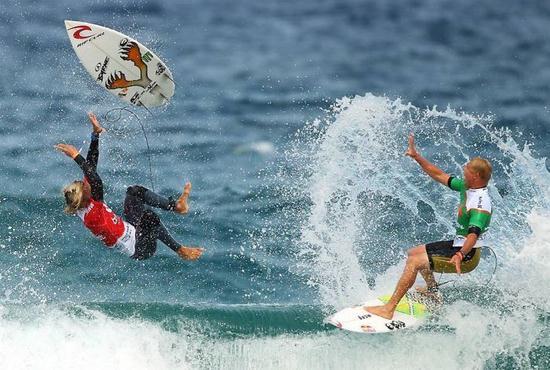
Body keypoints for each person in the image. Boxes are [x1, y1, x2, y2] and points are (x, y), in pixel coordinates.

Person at [366, 133, 492, 319]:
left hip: (467, 254)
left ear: (476, 176)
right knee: (414, 252)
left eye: (466, 170)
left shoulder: (481, 203)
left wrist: (460, 255)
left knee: (414, 262)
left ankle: (389, 309)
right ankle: (433, 293)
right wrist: (416, 156)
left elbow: (473, 234)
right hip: (459, 244)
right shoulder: (467, 186)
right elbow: (439, 174)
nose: (463, 171)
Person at [55, 112, 204, 261]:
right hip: (140, 249)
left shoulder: (84, 200)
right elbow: (96, 180)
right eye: (84, 186)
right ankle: (180, 250)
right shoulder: (92, 216)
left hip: (131, 228)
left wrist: (95, 135)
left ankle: (177, 206)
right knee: (149, 217)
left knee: (134, 192)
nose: (85, 183)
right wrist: (76, 156)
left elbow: (91, 169)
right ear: (85, 198)